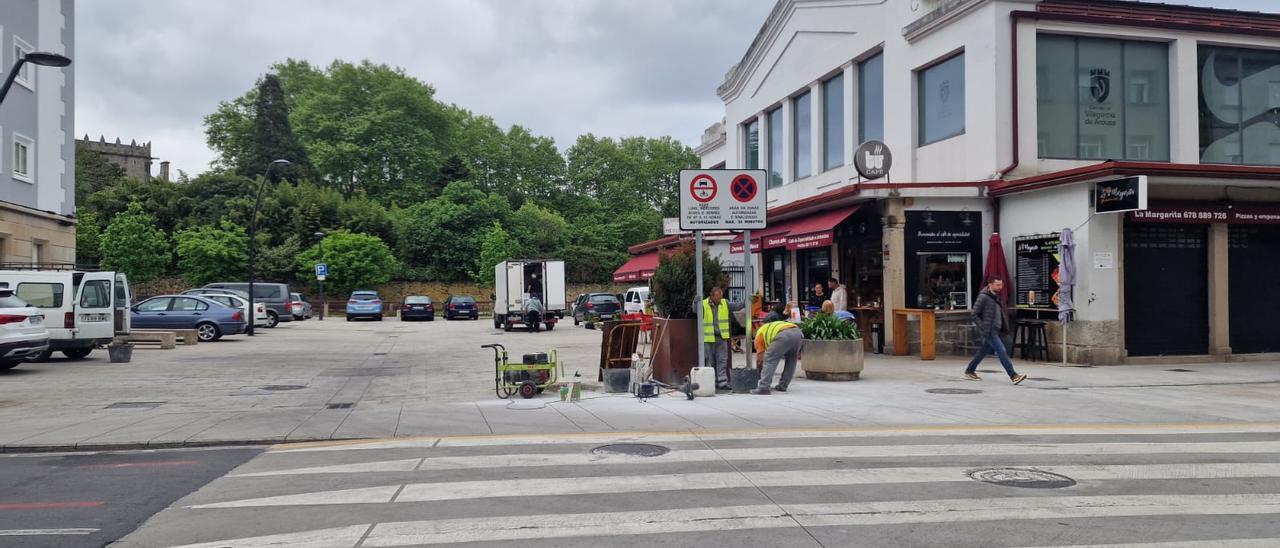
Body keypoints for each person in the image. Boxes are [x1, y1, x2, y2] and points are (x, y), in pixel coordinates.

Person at [964, 278, 1027, 384]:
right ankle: (1013, 375)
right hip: (989, 330)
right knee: (1001, 350)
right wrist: (983, 327)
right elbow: (974, 314)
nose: (1000, 287)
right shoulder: (983, 297)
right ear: (990, 284)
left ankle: (970, 370)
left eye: (1001, 285)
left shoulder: (995, 297)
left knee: (983, 351)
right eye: (997, 285)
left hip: (997, 329)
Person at [702, 287, 744, 391]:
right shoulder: (703, 304)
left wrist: (746, 301)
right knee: (710, 361)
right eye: (717, 298)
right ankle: (712, 382)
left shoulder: (725, 303)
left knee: (722, 360)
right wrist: (695, 303)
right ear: (711, 296)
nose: (719, 300)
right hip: (708, 337)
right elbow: (695, 310)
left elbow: (737, 306)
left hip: (721, 337)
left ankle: (722, 382)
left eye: (720, 297)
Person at [752, 320, 804, 394]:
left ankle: (764, 387)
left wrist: (759, 372)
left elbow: (760, 358)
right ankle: (783, 386)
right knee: (791, 360)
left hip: (784, 335)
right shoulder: (768, 327)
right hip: (798, 333)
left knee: (770, 360)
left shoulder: (759, 335)